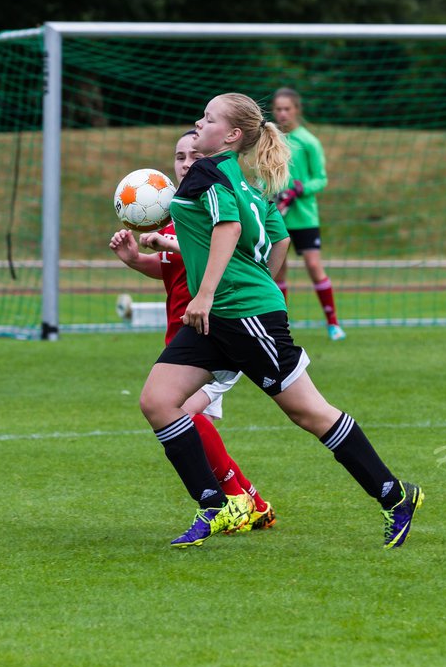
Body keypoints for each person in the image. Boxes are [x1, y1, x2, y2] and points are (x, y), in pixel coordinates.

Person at [139, 92, 422, 548]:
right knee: (157, 400)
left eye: (208, 119)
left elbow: (228, 231)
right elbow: (267, 242)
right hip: (225, 316)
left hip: (241, 316)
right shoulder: (235, 177)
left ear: (231, 135)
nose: (198, 123)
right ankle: (213, 505)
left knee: (310, 413)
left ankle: (394, 495)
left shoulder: (211, 172)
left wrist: (209, 294)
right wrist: (184, 256)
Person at [110, 130, 277, 533]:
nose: (186, 163)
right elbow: (170, 269)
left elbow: (224, 249)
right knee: (190, 421)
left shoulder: (209, 204)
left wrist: (168, 244)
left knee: (181, 413)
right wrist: (136, 260)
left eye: (193, 155)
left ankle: (235, 500)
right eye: (179, 156)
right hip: (186, 337)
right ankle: (252, 502)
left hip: (219, 332)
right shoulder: (181, 209)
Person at [270, 88, 345, 341]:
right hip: (277, 216)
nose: (282, 114)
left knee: (314, 266)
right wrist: (271, 194)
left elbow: (320, 179)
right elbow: (263, 173)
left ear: (297, 110)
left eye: (287, 109)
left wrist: (300, 189)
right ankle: (280, 326)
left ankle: (333, 323)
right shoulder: (271, 141)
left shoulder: (309, 141)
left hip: (304, 217)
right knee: (277, 271)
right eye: (278, 109)